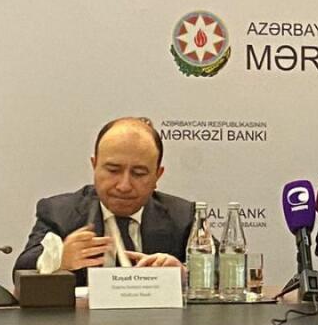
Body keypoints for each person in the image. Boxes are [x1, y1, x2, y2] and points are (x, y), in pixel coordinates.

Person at [14, 117, 194, 281]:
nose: (124, 186)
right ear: (94, 166)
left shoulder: (183, 217)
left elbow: (210, 274)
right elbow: (21, 272)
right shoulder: (59, 213)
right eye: (113, 170)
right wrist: (58, 260)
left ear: (157, 175)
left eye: (139, 173)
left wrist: (185, 275)